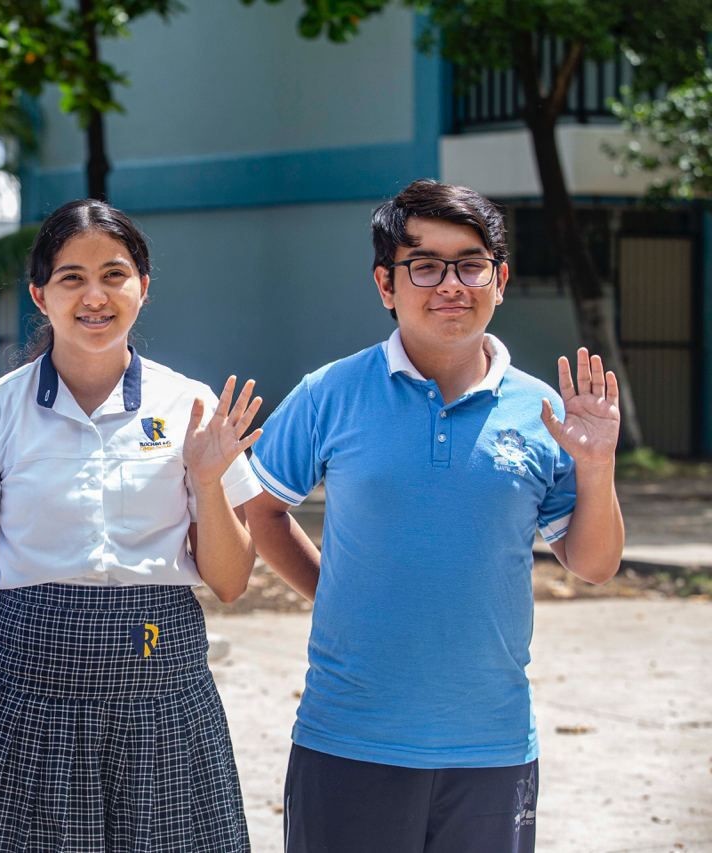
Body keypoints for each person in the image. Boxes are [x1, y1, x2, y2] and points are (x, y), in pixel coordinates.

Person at [245, 179, 626, 853]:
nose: (450, 283)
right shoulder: (329, 393)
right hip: (348, 737)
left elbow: (593, 565)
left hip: (494, 746)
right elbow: (260, 507)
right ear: (386, 285)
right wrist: (331, 589)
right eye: (423, 264)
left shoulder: (543, 412)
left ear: (500, 279)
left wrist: (596, 468)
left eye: (470, 263)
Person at [0, 199, 262, 852]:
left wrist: (207, 479)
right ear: (40, 293)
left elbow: (230, 583)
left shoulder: (192, 407)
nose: (95, 295)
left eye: (115, 274)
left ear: (143, 288)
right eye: (72, 277)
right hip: (30, 709)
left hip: (166, 705)